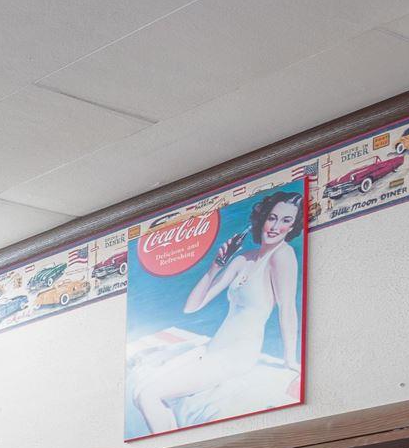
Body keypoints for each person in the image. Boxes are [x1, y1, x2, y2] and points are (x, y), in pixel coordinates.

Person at [126, 184, 304, 434]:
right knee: (140, 392)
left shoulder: (282, 256)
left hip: (236, 356)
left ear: (293, 227)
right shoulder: (244, 259)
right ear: (263, 218)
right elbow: (192, 307)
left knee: (148, 396)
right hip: (212, 349)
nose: (275, 227)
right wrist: (215, 266)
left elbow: (288, 310)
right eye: (272, 218)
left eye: (286, 221)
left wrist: (290, 359)